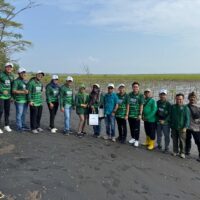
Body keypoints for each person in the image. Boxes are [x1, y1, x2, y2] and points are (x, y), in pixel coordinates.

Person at [170, 93, 190, 159]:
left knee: (182, 141)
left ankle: (182, 152)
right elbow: (170, 116)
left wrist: (185, 127)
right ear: (175, 99)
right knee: (174, 140)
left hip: (182, 128)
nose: (179, 100)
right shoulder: (173, 107)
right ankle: (175, 151)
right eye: (178, 99)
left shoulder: (186, 108)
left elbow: (187, 119)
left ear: (183, 99)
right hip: (174, 127)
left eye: (180, 99)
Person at [12, 67, 29, 131]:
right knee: (19, 114)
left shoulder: (25, 81)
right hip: (19, 100)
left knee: (24, 114)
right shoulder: (16, 81)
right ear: (19, 74)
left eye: (24, 72)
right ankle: (19, 127)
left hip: (25, 100)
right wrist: (23, 92)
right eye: (22, 73)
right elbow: (14, 91)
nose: (23, 74)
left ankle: (23, 125)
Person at [128, 82, 144, 147]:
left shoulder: (141, 95)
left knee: (136, 128)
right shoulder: (129, 94)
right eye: (134, 87)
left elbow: (141, 105)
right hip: (130, 114)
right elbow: (128, 104)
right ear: (132, 87)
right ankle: (133, 138)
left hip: (137, 115)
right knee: (131, 127)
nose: (135, 88)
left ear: (138, 87)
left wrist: (140, 114)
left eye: (136, 87)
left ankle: (137, 140)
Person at [185, 92, 200, 162]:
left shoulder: (198, 107)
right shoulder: (186, 107)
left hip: (196, 128)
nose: (192, 99)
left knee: (198, 141)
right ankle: (187, 151)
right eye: (191, 97)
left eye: (194, 97)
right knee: (187, 140)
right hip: (188, 127)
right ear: (188, 98)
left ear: (196, 98)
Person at [0, 62, 15, 133]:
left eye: (10, 67)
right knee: (0, 111)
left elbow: (12, 87)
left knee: (7, 111)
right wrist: (2, 91)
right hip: (1, 96)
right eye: (7, 67)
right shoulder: (1, 74)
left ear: (12, 68)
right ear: (5, 68)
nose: (9, 68)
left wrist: (12, 96)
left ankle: (6, 125)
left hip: (8, 97)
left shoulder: (12, 76)